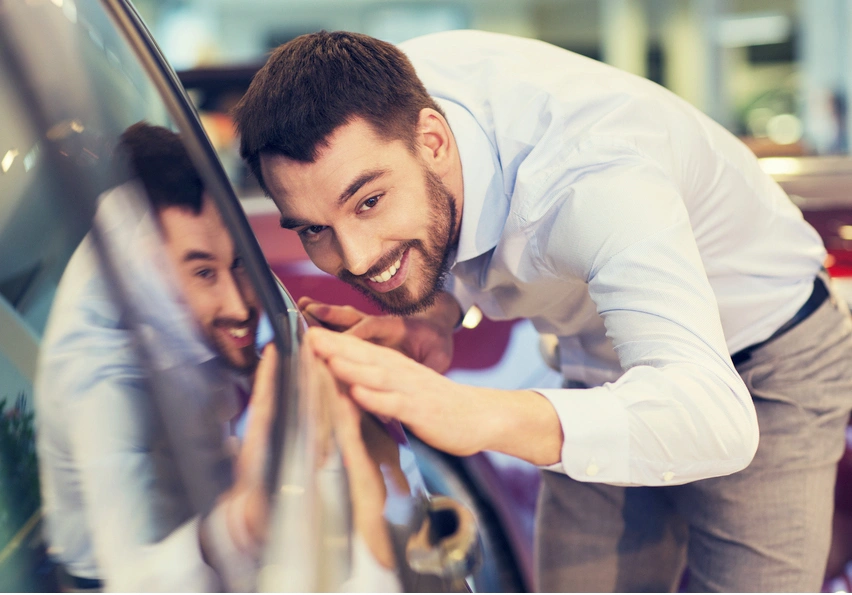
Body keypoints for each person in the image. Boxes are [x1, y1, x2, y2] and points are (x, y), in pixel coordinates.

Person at [231, 30, 852, 592]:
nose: (357, 259)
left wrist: (471, 413)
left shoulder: (593, 175)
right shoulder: (385, 98)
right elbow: (462, 220)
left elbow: (715, 419)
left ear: (434, 139)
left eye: (368, 203)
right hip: (600, 364)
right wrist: (436, 314)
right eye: (313, 229)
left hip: (767, 359)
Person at [35, 123, 275, 592]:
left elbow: (257, 315)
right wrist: (238, 524)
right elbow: (128, 579)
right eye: (205, 273)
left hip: (207, 505)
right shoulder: (99, 379)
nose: (238, 303)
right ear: (147, 262)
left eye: (239, 261)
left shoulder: (182, 236)